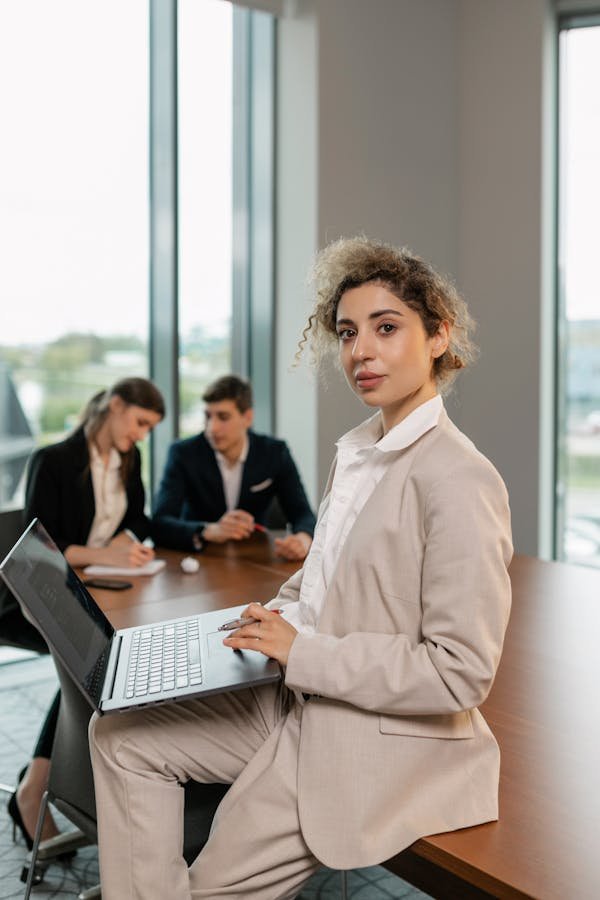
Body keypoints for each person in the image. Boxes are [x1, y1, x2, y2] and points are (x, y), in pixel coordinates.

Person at [90, 237, 512, 900]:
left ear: (438, 336)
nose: (360, 351)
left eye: (386, 327)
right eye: (347, 332)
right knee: (119, 735)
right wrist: (271, 618)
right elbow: (323, 579)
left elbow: (460, 670)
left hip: (364, 729)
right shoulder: (361, 453)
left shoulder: (458, 478)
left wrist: (304, 651)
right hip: (296, 693)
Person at [8, 377, 164, 851]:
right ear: (115, 406)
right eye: (139, 423)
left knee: (116, 653)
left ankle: (84, 784)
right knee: (91, 663)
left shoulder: (126, 460)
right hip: (38, 598)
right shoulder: (52, 460)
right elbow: (37, 549)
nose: (141, 436)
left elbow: (139, 519)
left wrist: (125, 545)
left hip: (94, 591)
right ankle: (34, 791)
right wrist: (106, 554)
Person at [152, 374, 316, 561]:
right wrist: (207, 530)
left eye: (223, 417)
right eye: (208, 416)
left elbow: (303, 513)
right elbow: (159, 523)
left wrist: (302, 540)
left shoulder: (274, 452)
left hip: (255, 558)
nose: (212, 428)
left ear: (247, 417)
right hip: (199, 559)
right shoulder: (183, 453)